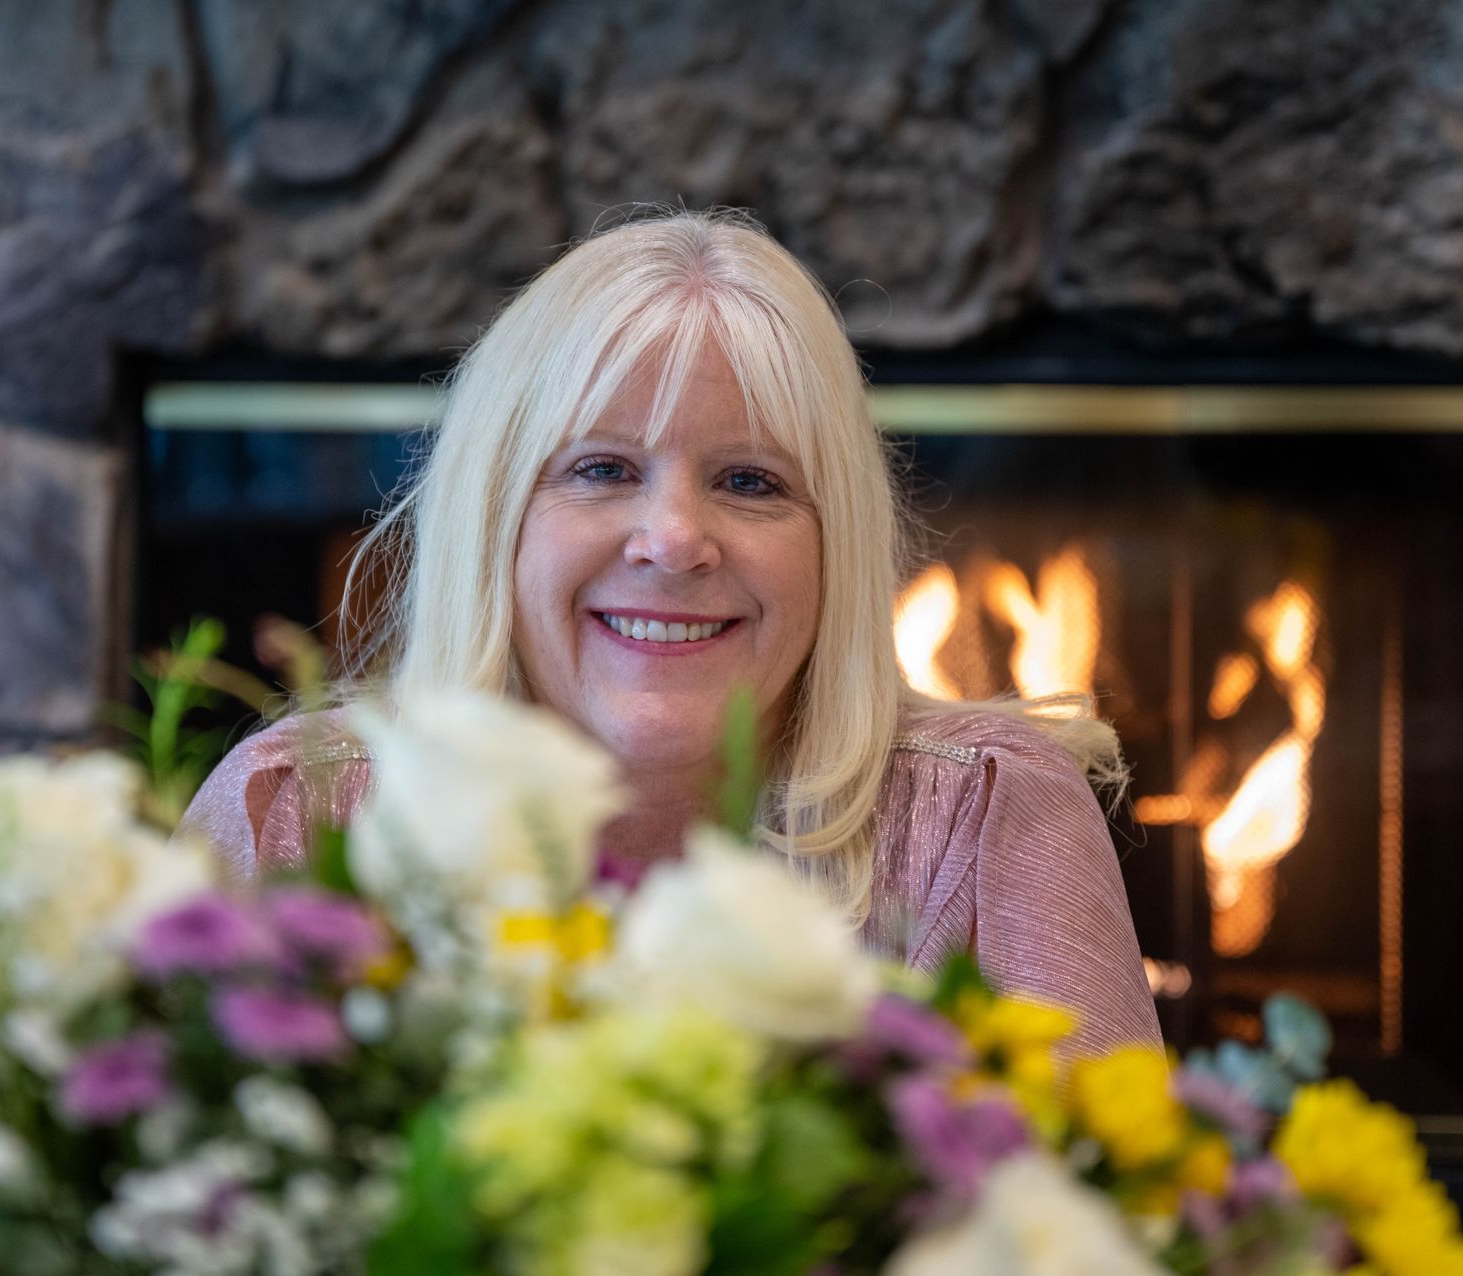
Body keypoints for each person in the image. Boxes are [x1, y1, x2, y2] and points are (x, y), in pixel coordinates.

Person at [180, 209, 1161, 1055]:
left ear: (838, 542)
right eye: (602, 469)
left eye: (751, 481)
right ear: (493, 518)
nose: (676, 540)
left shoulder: (987, 818)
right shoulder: (298, 812)